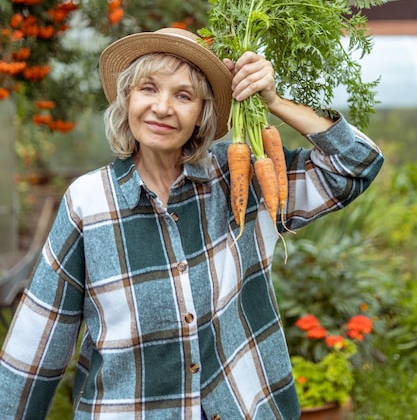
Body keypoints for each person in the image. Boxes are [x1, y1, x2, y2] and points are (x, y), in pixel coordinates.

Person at [0, 27, 384, 420]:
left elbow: (356, 165)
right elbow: (35, 347)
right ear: (127, 98)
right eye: (148, 89)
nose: (163, 108)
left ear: (202, 112)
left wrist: (273, 99)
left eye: (183, 96)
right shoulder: (88, 203)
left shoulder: (241, 176)